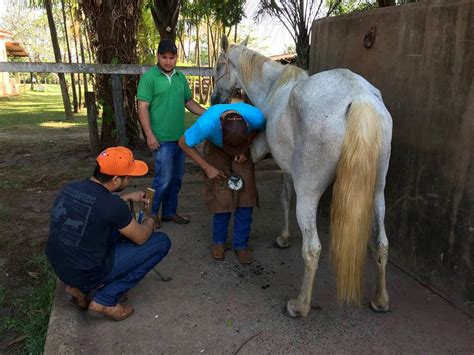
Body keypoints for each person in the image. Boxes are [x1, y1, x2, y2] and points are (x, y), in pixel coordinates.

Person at [46, 146, 171, 321]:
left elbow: (95, 205)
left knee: (110, 231)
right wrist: (150, 220)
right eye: (128, 177)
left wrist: (125, 197)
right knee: (161, 242)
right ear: (115, 179)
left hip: (61, 266)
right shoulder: (112, 206)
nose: (129, 180)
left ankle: (78, 289)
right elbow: (141, 237)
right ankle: (106, 299)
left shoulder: (71, 187)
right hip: (88, 272)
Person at [178, 102, 265, 265]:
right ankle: (219, 242)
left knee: (246, 196)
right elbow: (183, 143)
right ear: (219, 128)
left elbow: (259, 130)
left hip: (242, 146)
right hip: (216, 149)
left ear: (247, 124)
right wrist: (207, 167)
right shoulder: (207, 123)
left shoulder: (256, 117)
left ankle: (241, 245)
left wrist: (245, 148)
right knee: (221, 194)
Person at [137, 38, 206, 229]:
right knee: (162, 178)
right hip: (160, 139)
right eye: (164, 57)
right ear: (158, 56)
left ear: (176, 57)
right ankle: (150, 214)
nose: (168, 61)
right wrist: (149, 134)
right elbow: (142, 107)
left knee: (176, 179)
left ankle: (169, 212)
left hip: (180, 140)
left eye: (172, 57)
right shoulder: (149, 77)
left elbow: (189, 102)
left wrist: (208, 113)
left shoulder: (180, 78)